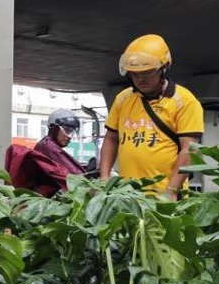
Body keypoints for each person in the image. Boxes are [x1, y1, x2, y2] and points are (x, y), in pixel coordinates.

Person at [99, 34, 204, 200]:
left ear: (163, 68)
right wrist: (104, 179)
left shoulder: (184, 101)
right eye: (134, 74)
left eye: (147, 73)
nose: (140, 79)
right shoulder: (123, 99)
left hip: (164, 197)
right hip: (127, 197)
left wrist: (171, 191)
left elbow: (190, 150)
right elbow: (111, 138)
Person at [34, 109, 86, 175]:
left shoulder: (47, 144)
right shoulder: (49, 147)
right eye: (67, 130)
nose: (70, 136)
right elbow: (75, 173)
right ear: (54, 129)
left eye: (72, 131)